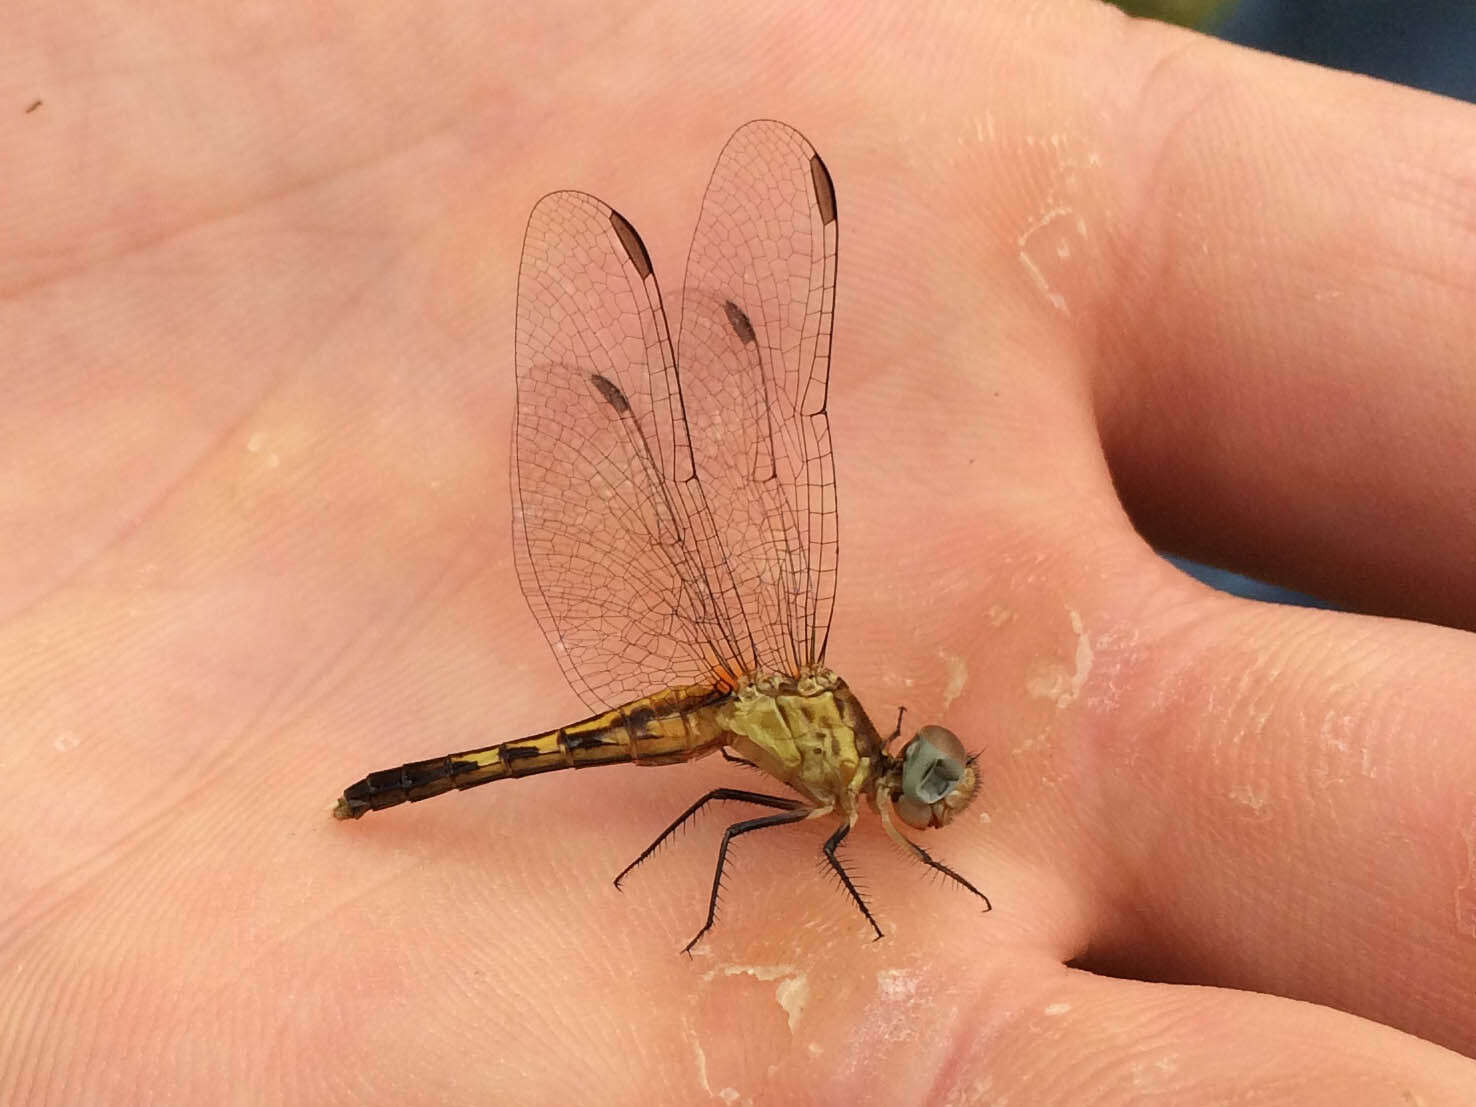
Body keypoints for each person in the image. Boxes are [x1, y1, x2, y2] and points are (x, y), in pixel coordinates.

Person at [4, 2, 1474, 1101]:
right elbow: (723, 824)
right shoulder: (831, 789)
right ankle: (409, 787)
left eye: (927, 786)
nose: (924, 795)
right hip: (682, 709)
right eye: (922, 787)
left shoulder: (838, 747)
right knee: (696, 812)